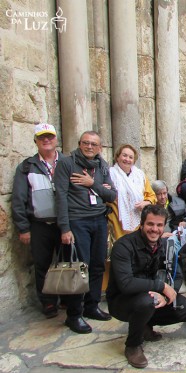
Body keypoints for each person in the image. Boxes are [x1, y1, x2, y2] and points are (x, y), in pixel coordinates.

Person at [107, 205, 186, 369]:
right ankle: (133, 345)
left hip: (152, 296)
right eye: (150, 224)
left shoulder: (164, 245)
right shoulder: (123, 246)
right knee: (146, 302)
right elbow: (126, 284)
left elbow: (176, 275)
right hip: (122, 301)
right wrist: (161, 287)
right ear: (141, 224)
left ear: (164, 227)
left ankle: (145, 325)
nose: (154, 229)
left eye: (159, 225)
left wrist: (170, 292)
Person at [54, 131, 117, 333]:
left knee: (98, 264)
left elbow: (111, 195)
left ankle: (91, 306)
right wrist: (65, 228)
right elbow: (61, 196)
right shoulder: (67, 163)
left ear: (100, 147)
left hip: (99, 219)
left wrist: (93, 184)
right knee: (80, 268)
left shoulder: (102, 165)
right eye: (86, 143)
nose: (89, 147)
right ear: (80, 144)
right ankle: (74, 315)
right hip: (77, 220)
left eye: (94, 144)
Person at [12, 123, 64, 318]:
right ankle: (49, 302)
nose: (46, 140)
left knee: (68, 261)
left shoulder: (67, 162)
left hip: (64, 223)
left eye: (50, 136)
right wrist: (23, 228)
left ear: (56, 139)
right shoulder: (27, 167)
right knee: (42, 264)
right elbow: (19, 198)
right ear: (35, 141)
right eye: (42, 137)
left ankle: (68, 299)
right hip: (39, 224)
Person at [107, 144, 157, 240]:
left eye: (131, 157)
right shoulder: (110, 174)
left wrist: (147, 202)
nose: (127, 159)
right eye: (124, 155)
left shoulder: (140, 176)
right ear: (117, 157)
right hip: (117, 221)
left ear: (134, 160)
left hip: (138, 220)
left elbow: (151, 196)